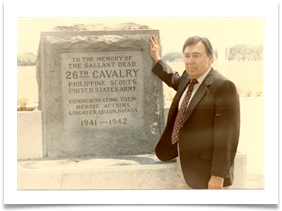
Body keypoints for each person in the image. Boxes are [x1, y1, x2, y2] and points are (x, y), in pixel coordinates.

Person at [149, 35, 240, 189]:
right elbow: (173, 78)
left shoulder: (223, 87)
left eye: (196, 56)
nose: (190, 61)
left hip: (207, 176)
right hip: (184, 169)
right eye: (187, 56)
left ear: (210, 58)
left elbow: (227, 135)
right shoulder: (188, 78)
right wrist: (157, 58)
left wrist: (218, 175)